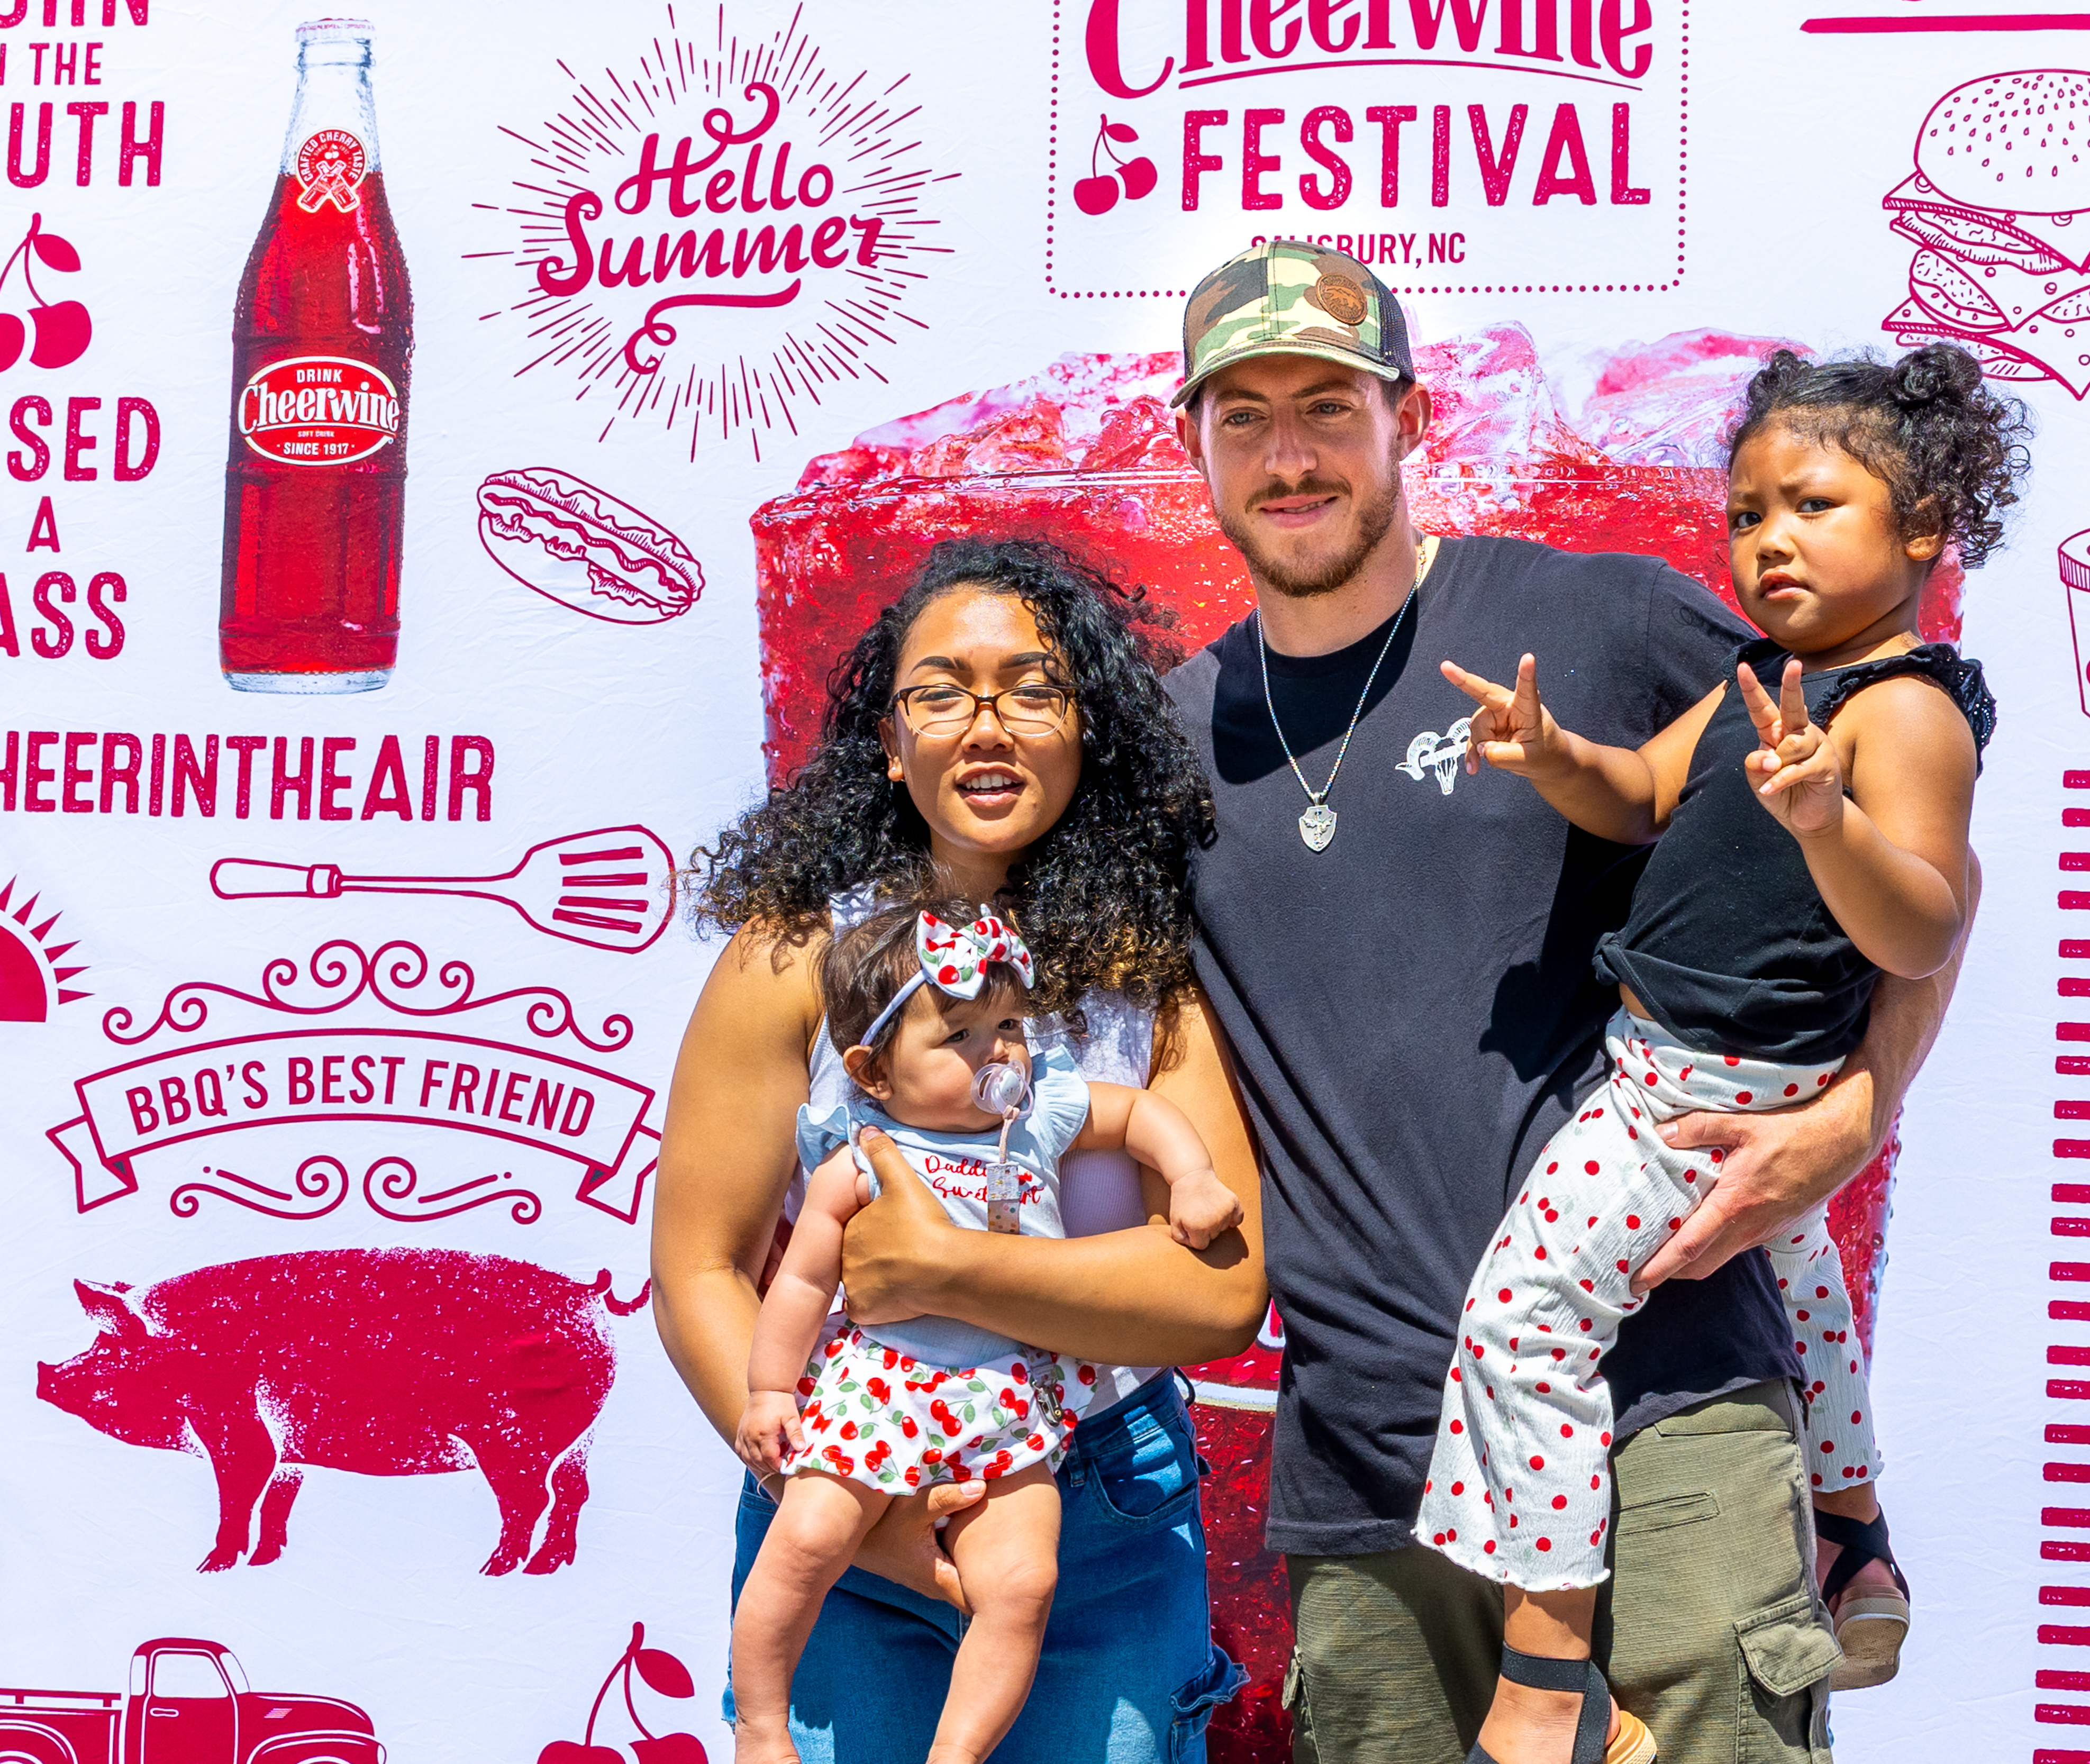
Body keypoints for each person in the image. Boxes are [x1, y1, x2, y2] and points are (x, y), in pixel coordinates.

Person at [1155, 240, 1983, 1764]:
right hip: (1372, 1458)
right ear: (1188, 439)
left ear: (1412, 419)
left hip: (1668, 1397)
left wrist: (1862, 1103)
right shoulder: (1166, 743)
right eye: (1246, 413)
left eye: (1329, 406)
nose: (1289, 454)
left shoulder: (1595, 621)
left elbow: (1906, 835)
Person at [1417, 346, 2024, 1730]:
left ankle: (1546, 1662)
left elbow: (1923, 926)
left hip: (1692, 1096)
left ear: (1925, 526)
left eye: (1813, 504)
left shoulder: (1907, 708)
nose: (1770, 541)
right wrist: (1553, 750)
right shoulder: (1763, 675)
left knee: (1522, 1318)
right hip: (1708, 1075)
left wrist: (1830, 819)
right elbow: (1639, 793)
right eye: (1747, 514)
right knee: (1803, 1285)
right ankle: (1854, 1538)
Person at [655, 537, 1260, 1764]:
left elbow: (1221, 1289)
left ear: (1089, 730)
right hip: (841, 1499)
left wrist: (940, 1268)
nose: (986, 724)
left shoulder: (1153, 976)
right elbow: (698, 1272)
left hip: (1098, 1511)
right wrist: (852, 1506)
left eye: (1032, 688)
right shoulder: (790, 959)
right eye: (940, 691)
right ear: (888, 741)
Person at [730, 900, 1246, 1764]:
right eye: (959, 1035)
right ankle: (762, 1721)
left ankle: (957, 1752)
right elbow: (805, 1281)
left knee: (1024, 1582)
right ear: (874, 1071)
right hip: (878, 1395)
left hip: (1010, 1410)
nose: (997, 1051)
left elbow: (1141, 1117)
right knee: (807, 1536)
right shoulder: (858, 1151)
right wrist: (770, 1389)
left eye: (1008, 1024)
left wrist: (1190, 1175)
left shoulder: (1037, 1115)